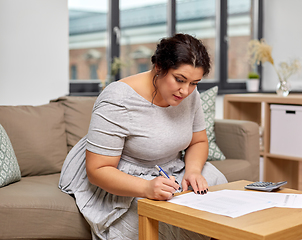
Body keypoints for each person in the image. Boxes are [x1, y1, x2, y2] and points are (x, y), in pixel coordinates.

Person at [59, 33, 228, 240]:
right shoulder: (117, 100)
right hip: (120, 176)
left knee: (216, 180)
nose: (186, 91)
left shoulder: (191, 95)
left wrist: (193, 171)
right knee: (163, 212)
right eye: (180, 80)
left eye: (194, 83)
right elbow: (98, 170)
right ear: (158, 67)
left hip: (167, 169)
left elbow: (199, 141)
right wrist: (147, 187)